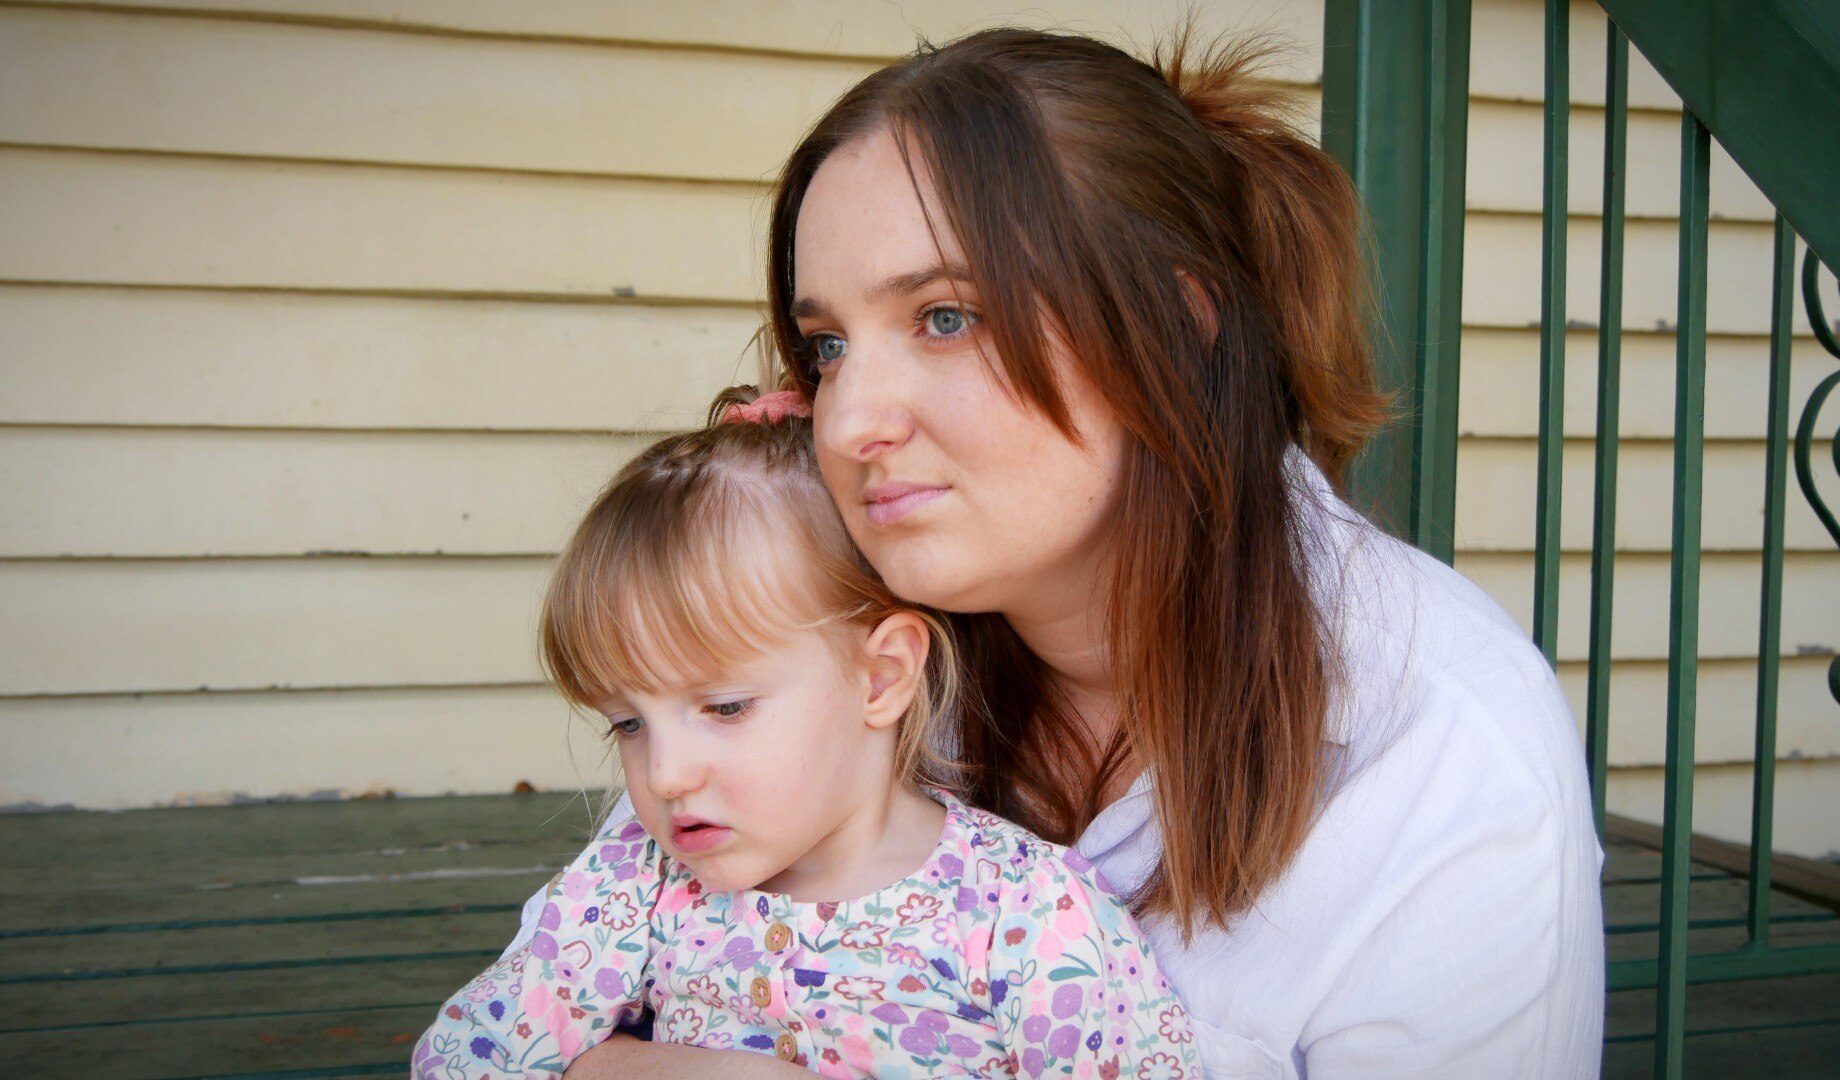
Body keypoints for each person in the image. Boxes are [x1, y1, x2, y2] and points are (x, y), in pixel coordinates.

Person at [551, 25, 1605, 1079]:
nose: (849, 420)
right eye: (828, 346)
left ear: (1174, 324)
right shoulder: (830, 622)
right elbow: (550, 1001)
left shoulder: (1440, 751)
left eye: (945, 317)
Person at [414, 388, 1203, 1079]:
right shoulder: (635, 886)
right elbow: (460, 1058)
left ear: (882, 676)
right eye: (627, 722)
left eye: (725, 708)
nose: (664, 775)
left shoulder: (1026, 914)